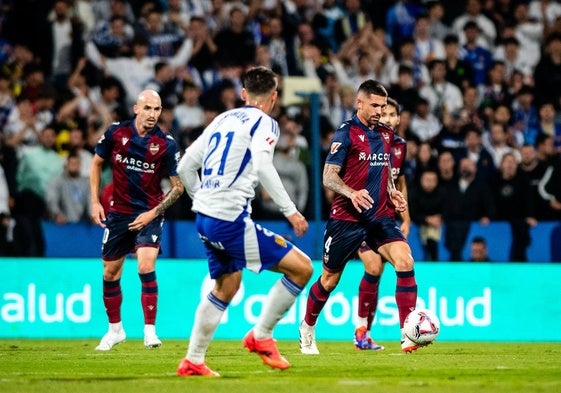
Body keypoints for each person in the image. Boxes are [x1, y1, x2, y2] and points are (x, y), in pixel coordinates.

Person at [175, 66, 312, 377]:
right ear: (274, 97)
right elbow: (263, 164)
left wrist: (204, 200)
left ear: (243, 94)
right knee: (302, 268)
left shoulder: (221, 119)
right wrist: (289, 209)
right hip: (230, 220)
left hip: (205, 219)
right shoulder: (266, 123)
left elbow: (184, 167)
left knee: (227, 285)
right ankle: (261, 335)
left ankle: (193, 360)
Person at [298, 80, 418, 356]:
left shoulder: (387, 136)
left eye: (383, 106)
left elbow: (386, 171)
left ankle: (407, 334)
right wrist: (351, 193)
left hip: (380, 218)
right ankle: (307, 326)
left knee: (405, 260)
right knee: (329, 280)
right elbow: (328, 177)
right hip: (347, 219)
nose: (379, 111)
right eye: (374, 105)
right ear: (359, 103)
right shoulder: (346, 133)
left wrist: (392, 194)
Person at [90, 89, 184, 351]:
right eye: (148, 108)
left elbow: (178, 188)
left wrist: (153, 213)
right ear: (136, 109)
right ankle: (115, 330)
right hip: (118, 212)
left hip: (150, 212)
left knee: (144, 265)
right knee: (110, 273)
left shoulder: (166, 143)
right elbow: (96, 163)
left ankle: (150, 331)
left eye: (157, 109)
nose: (153, 114)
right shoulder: (116, 133)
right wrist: (96, 201)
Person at [353, 97, 411, 351]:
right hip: (360, 217)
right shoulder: (364, 139)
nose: (386, 118)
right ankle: (360, 331)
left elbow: (400, 182)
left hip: (386, 218)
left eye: (391, 114)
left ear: (398, 119)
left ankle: (401, 333)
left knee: (401, 264)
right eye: (382, 113)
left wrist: (406, 217)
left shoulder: (400, 146)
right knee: (374, 267)